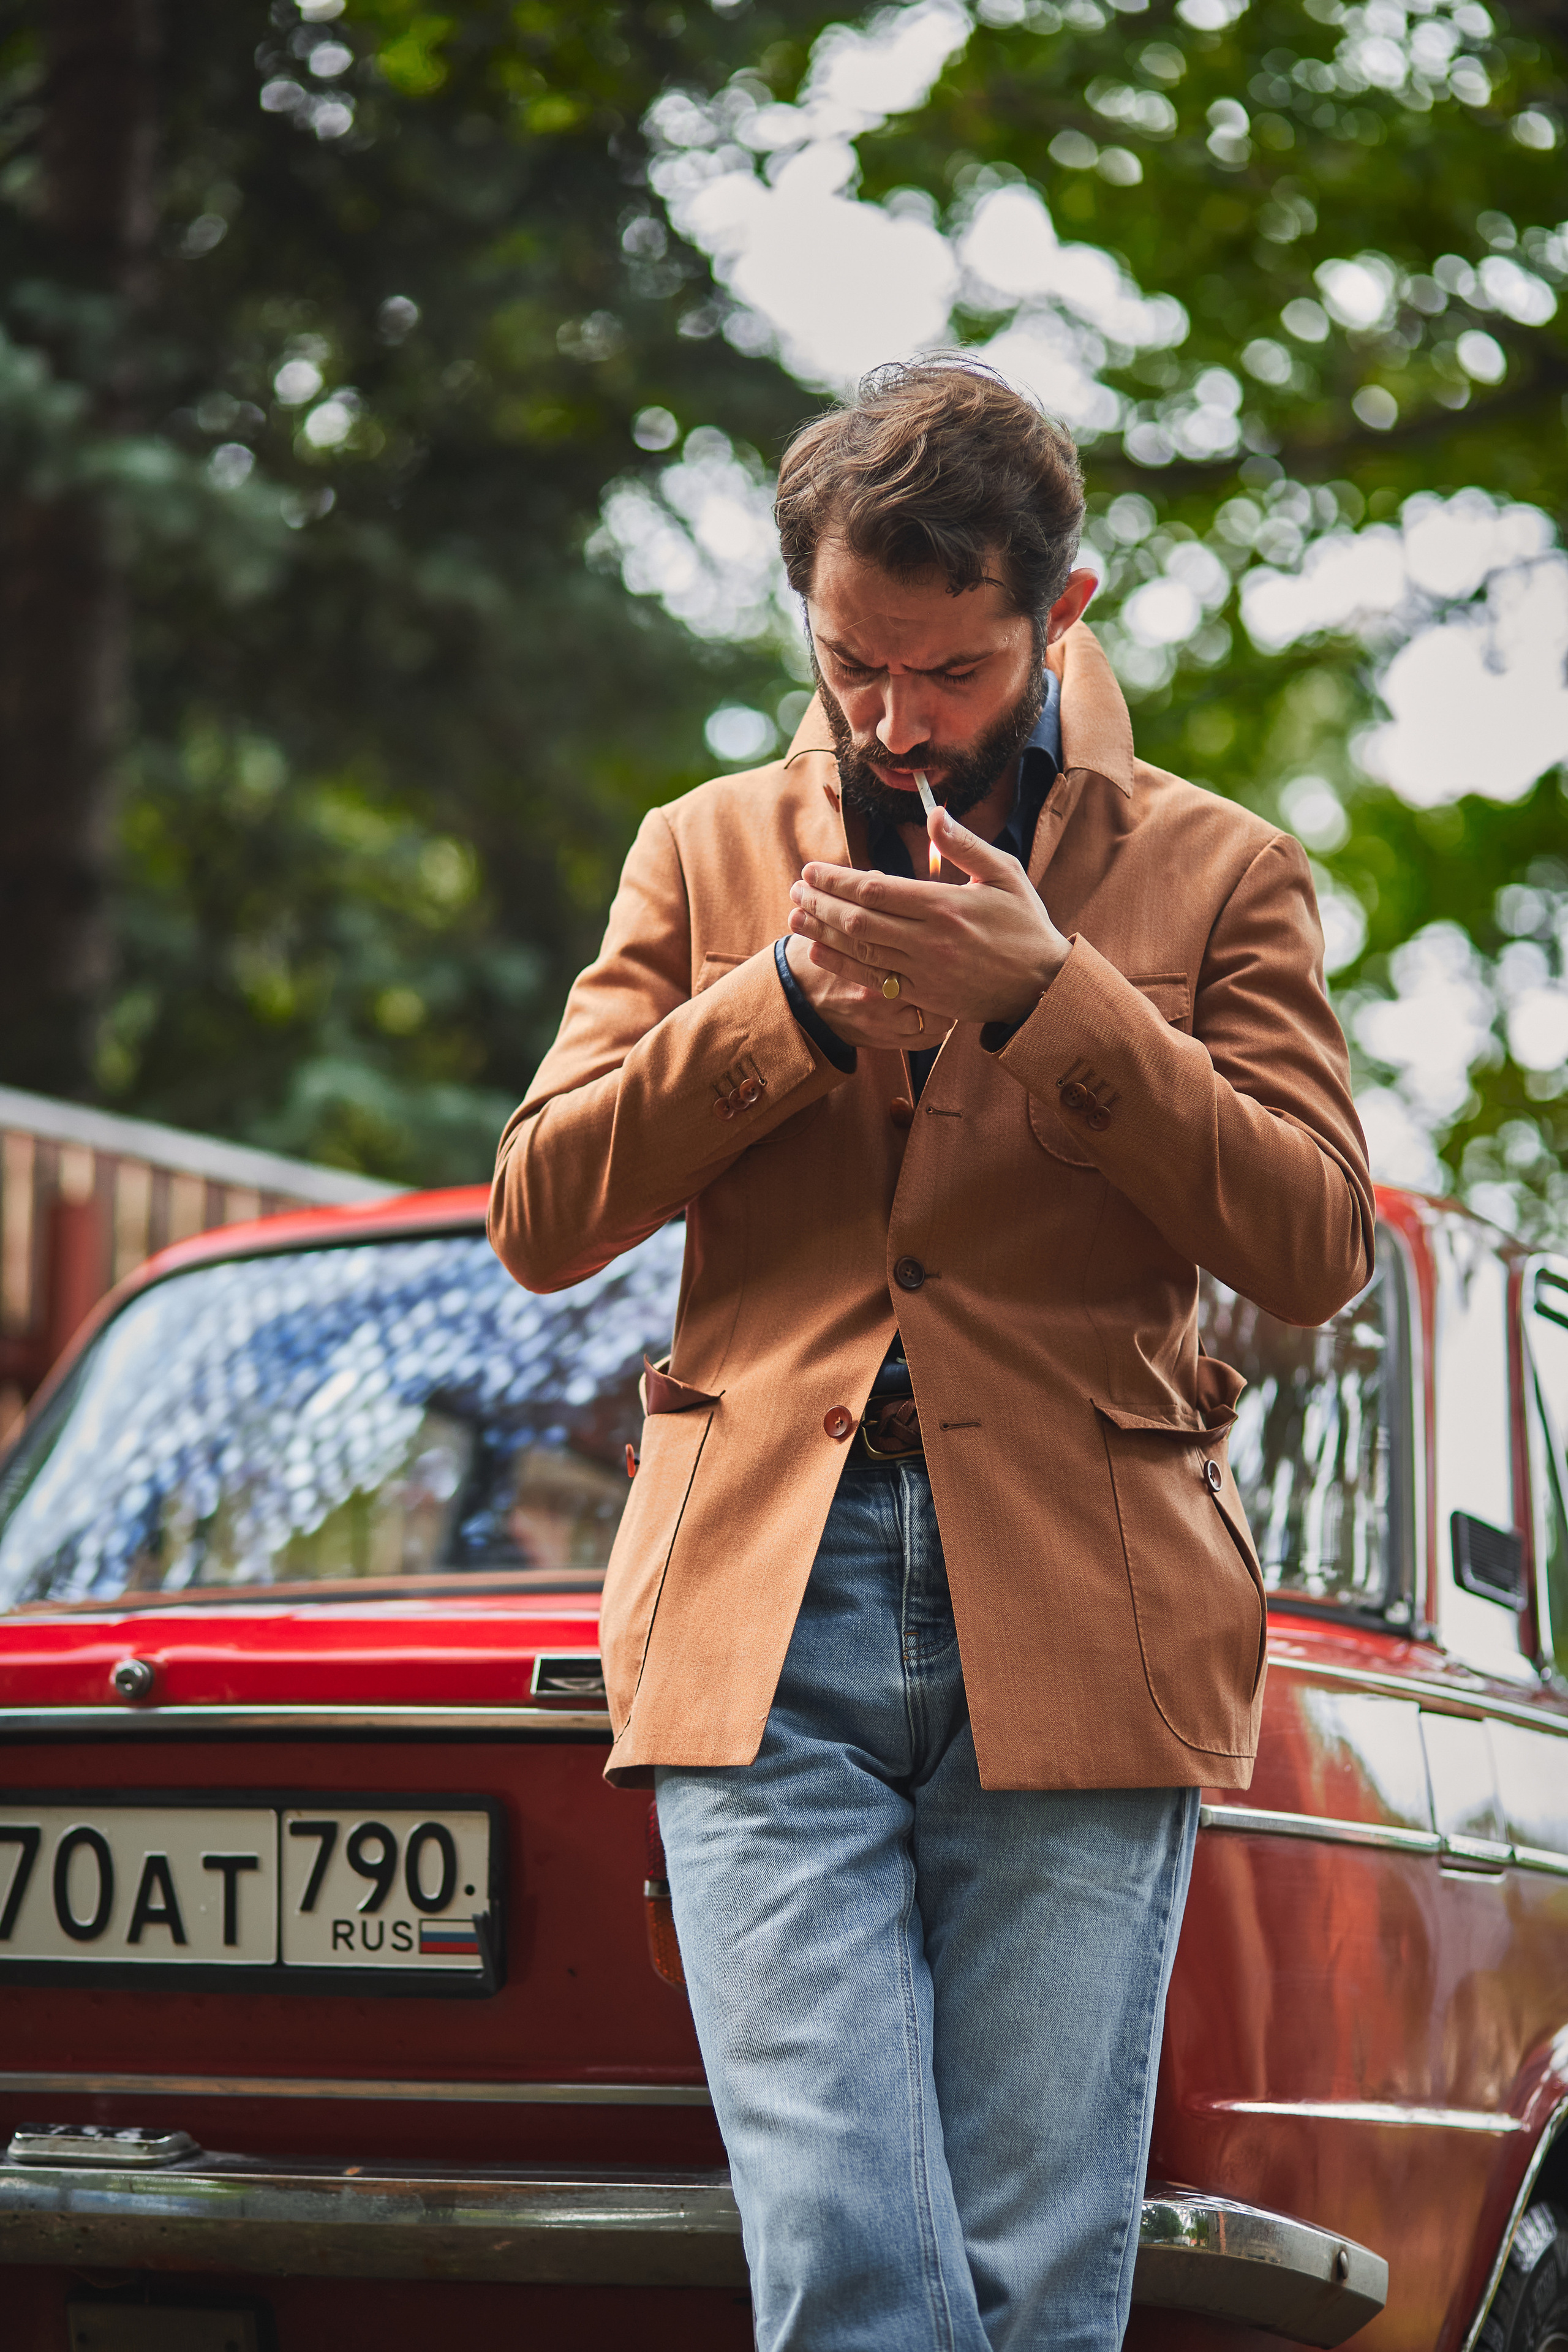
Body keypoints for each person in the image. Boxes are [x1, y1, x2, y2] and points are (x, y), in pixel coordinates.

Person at [489, 358, 1374, 2352]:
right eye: (848, 666)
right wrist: (783, 1005)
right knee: (847, 2266)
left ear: (1058, 616)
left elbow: (1313, 1240)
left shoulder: (1222, 873)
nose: (895, 726)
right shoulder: (701, 850)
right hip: (753, 1613)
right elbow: (540, 1211)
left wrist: (1058, 1003)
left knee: (1029, 2283)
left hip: (1084, 1607)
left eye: (951, 673)